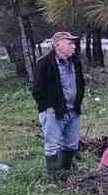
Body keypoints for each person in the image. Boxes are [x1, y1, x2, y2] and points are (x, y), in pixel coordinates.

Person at [32, 30, 85, 181]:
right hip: (53, 112)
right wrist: (48, 107)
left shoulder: (75, 62)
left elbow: (81, 84)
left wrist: (77, 103)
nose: (74, 46)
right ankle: (54, 179)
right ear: (57, 45)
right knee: (53, 146)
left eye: (74, 43)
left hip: (73, 111)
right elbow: (37, 89)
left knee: (71, 145)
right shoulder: (45, 63)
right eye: (70, 43)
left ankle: (65, 174)